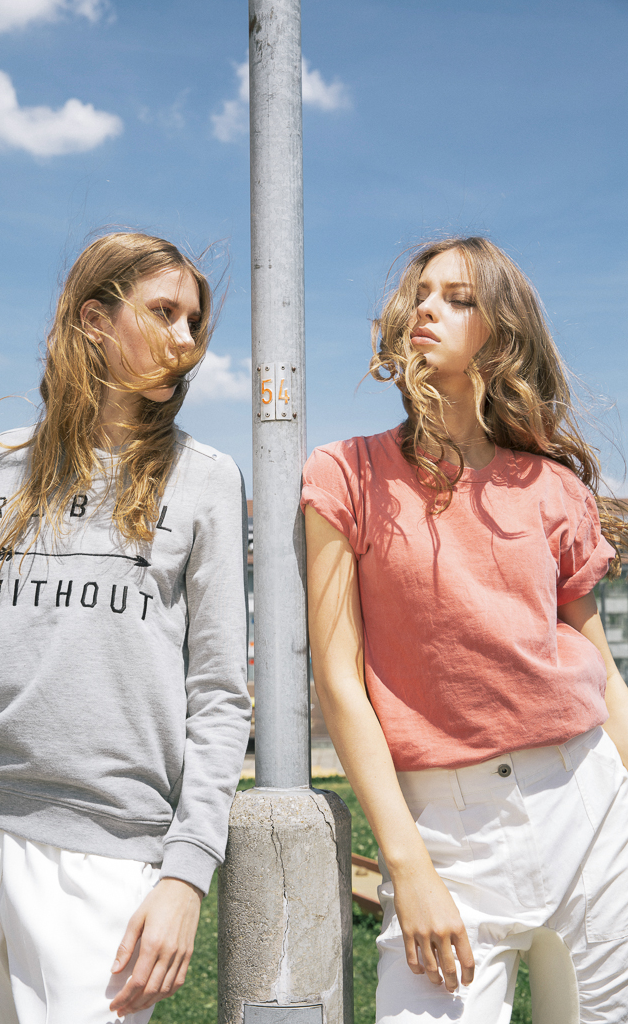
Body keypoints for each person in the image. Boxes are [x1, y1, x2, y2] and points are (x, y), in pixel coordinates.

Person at [302, 237, 628, 1023]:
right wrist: (407, 866)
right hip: (444, 832)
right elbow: (339, 679)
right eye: (420, 293)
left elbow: (600, 665)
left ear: (500, 332)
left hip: (589, 807)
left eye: (458, 298)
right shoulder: (345, 473)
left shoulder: (553, 486)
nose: (426, 307)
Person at [0, 232, 251, 1024]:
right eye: (164, 312)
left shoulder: (205, 479)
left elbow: (220, 696)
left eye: (193, 321)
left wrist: (186, 874)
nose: (186, 338)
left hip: (104, 853)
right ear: (94, 320)